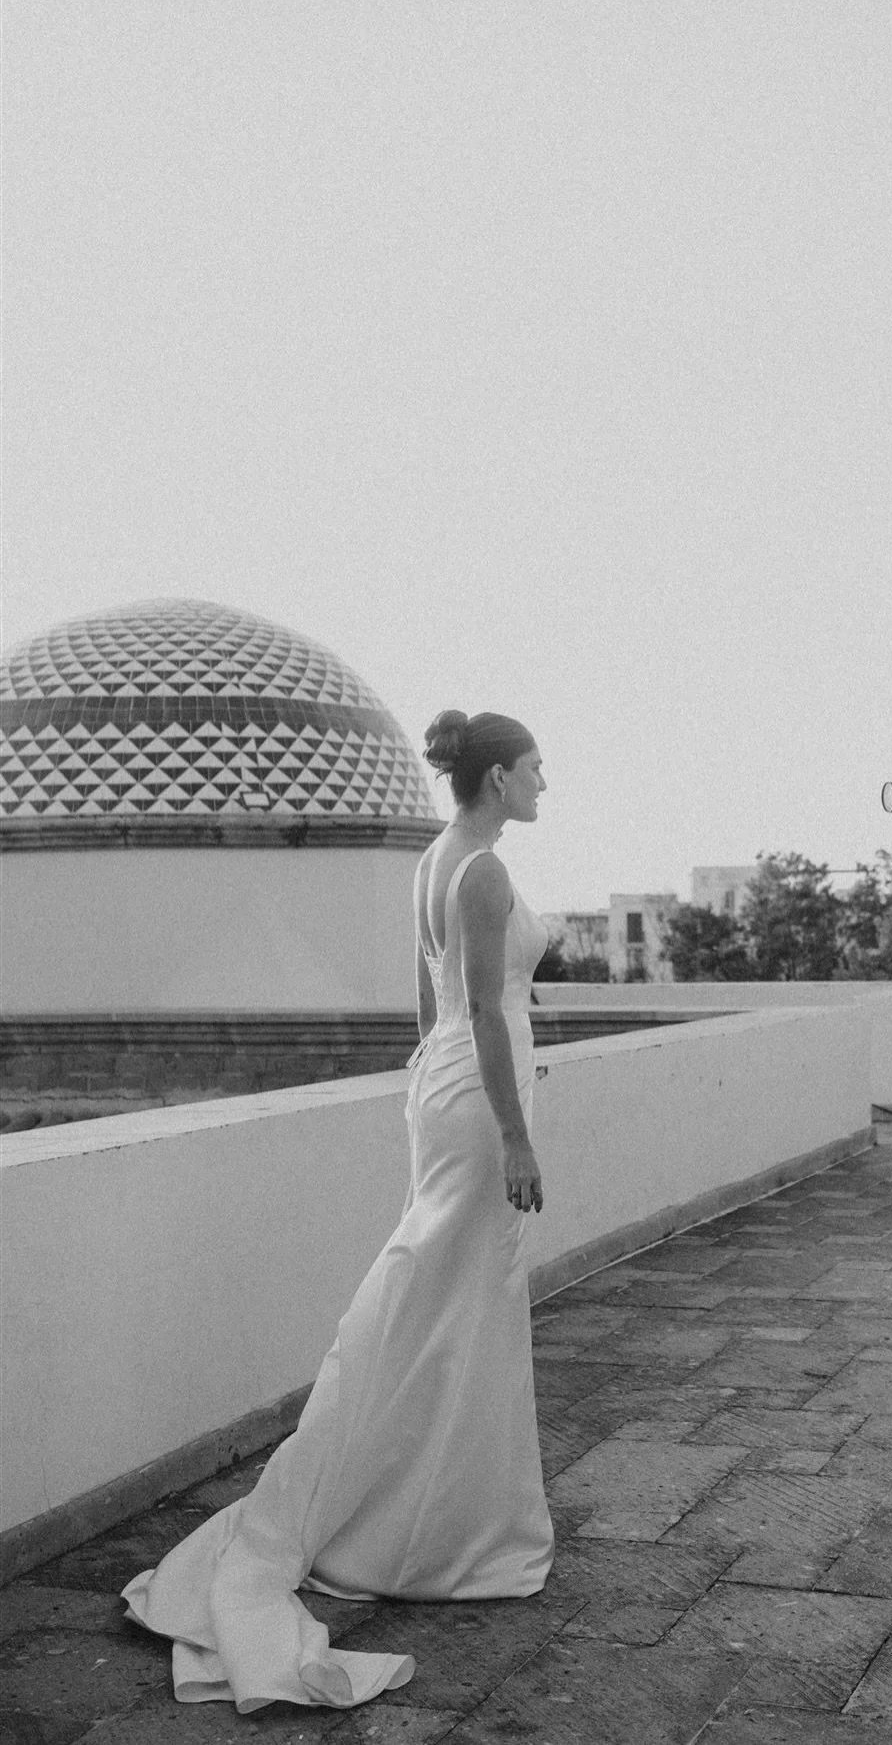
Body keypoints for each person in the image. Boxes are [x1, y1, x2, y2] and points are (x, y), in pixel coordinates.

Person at [123, 710, 555, 1710]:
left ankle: (428, 1508)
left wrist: (437, 1075)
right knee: (461, 1298)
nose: (545, 783)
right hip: (483, 1100)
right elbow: (487, 1007)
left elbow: (433, 999)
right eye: (534, 769)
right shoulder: (483, 869)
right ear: (494, 778)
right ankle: (438, 1528)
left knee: (445, 1295)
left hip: (442, 1085)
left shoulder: (435, 857)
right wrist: (518, 1134)